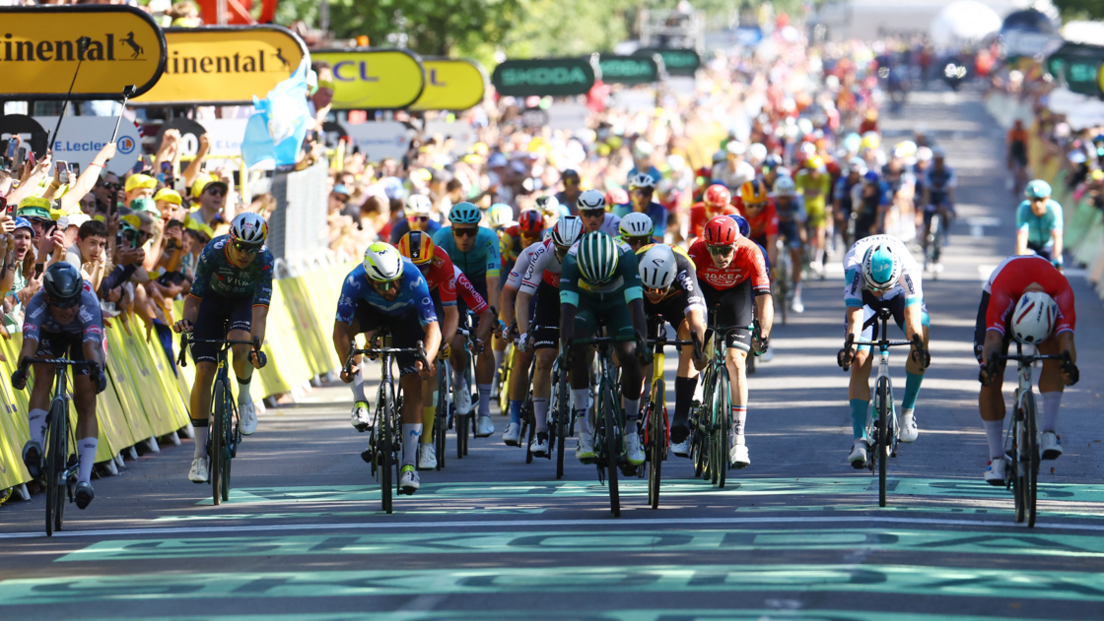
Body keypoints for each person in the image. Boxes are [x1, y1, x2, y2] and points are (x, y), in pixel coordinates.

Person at [172, 213, 272, 484]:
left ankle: (244, 396)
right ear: (231, 240)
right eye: (240, 246)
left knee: (241, 343)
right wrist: (188, 323)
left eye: (252, 248)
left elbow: (260, 313)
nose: (245, 254)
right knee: (204, 371)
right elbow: (194, 299)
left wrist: (255, 346)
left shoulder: (265, 260)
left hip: (243, 303)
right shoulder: (212, 252)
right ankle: (198, 455)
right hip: (212, 304)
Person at [333, 243, 441, 493]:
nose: (392, 289)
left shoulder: (413, 276)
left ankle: (409, 466)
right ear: (369, 279)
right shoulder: (354, 280)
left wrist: (427, 359)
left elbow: (432, 328)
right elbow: (339, 329)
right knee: (346, 333)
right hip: (371, 313)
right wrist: (347, 363)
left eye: (396, 282)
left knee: (413, 382)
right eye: (383, 284)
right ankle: (359, 401)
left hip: (406, 318)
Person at [395, 231, 493, 469]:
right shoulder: (394, 264)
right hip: (409, 300)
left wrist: (443, 343)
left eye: (424, 266)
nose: (418, 271)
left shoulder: (444, 265)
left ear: (432, 260)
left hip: (439, 300)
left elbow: (452, 314)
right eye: (412, 266)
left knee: (441, 355)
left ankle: (427, 443)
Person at [976, 256, 1078, 483]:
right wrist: (989, 364)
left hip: (1043, 306)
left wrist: (1069, 368)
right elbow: (992, 337)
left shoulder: (1061, 291)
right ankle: (996, 458)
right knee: (990, 377)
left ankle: (1050, 433)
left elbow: (1067, 340)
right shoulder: (1004, 290)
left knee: (1057, 357)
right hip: (1003, 297)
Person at [15, 262, 107, 510]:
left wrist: (97, 371)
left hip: (82, 338)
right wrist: (21, 369)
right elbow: (29, 345)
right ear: (48, 297)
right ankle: (36, 443)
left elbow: (92, 347)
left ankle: (85, 480)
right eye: (60, 303)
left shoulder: (87, 303)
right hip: (49, 335)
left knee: (86, 400)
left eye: (72, 302)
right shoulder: (37, 304)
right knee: (42, 376)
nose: (68, 309)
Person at [686, 216, 773, 468]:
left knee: (735, 361)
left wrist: (764, 333)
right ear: (707, 246)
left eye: (726, 251)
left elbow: (764, 298)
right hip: (705, 293)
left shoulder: (751, 251)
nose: (721, 256)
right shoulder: (696, 249)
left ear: (736, 245)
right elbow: (688, 294)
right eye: (715, 251)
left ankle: (738, 439)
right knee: (698, 343)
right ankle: (696, 392)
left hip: (737, 297)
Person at [836, 236, 930, 468]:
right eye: (874, 287)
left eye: (882, 288)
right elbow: (855, 317)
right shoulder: (854, 266)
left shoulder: (909, 268)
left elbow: (912, 320)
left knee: (921, 343)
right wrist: (851, 346)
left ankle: (908, 413)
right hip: (863, 300)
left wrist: (917, 344)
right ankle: (859, 440)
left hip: (899, 294)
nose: (879, 293)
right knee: (859, 358)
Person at [560, 231, 650, 465]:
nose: (599, 283)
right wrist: (566, 347)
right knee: (576, 352)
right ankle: (584, 433)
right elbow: (567, 312)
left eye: (604, 278)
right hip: (585, 303)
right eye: (595, 279)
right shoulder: (571, 259)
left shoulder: (626, 257)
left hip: (617, 303)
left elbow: (636, 305)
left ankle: (631, 432)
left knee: (630, 355)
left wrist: (641, 341)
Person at [514, 216, 584, 455]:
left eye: (571, 251)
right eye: (561, 251)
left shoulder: (592, 251)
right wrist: (524, 334)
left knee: (582, 356)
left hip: (580, 298)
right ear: (554, 243)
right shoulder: (543, 251)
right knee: (544, 359)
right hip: (549, 300)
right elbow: (523, 297)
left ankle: (586, 424)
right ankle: (541, 430)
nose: (565, 257)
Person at [433, 202, 501, 437]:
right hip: (451, 287)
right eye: (459, 231)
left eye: (470, 232)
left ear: (478, 230)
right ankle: (459, 382)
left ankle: (484, 413)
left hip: (479, 285)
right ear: (450, 230)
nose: (464, 237)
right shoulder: (440, 238)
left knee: (484, 345)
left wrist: (493, 315)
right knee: (456, 342)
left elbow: (493, 283)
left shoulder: (489, 239)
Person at [636, 243, 707, 457]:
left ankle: (681, 417)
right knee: (636, 353)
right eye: (649, 288)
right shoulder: (632, 268)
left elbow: (696, 319)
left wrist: (699, 352)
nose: (654, 294)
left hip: (676, 300)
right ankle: (632, 418)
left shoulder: (684, 269)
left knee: (689, 340)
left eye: (659, 289)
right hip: (640, 304)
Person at [771, 175, 808, 313]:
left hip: (792, 226)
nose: (784, 200)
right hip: (776, 226)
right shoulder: (770, 200)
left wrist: (802, 241)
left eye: (787, 198)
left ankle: (796, 295)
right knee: (771, 250)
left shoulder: (797, 199)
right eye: (781, 198)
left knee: (796, 252)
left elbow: (800, 223)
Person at [794, 156, 832, 275]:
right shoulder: (801, 176)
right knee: (800, 227)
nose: (813, 173)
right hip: (805, 203)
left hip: (818, 204)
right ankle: (804, 256)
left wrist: (827, 210)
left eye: (815, 170)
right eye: (811, 170)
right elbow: (798, 194)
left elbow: (825, 194)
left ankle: (818, 261)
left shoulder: (824, 177)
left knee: (820, 231)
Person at [1015, 180, 1063, 269]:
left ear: (1048, 197)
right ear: (1028, 198)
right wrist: (1019, 260)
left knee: (1058, 273)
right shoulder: (1024, 208)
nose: (1038, 204)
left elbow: (1057, 237)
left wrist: (1056, 261)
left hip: (1048, 247)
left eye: (1042, 199)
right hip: (1031, 246)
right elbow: (1022, 237)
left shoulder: (1054, 209)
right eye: (1034, 199)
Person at [920, 146, 956, 260]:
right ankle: (925, 247)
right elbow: (926, 189)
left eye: (940, 160)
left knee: (945, 212)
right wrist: (926, 205)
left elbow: (950, 190)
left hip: (943, 196)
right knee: (927, 223)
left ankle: (945, 234)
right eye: (936, 160)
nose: (938, 162)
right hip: (931, 196)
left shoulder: (949, 170)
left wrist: (952, 205)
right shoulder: (928, 170)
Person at [734, 179, 779, 269]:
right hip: (742, 238)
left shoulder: (769, 204)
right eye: (750, 205)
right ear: (742, 201)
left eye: (759, 205)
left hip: (761, 238)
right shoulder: (735, 204)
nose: (755, 209)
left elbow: (772, 239)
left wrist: (770, 267)